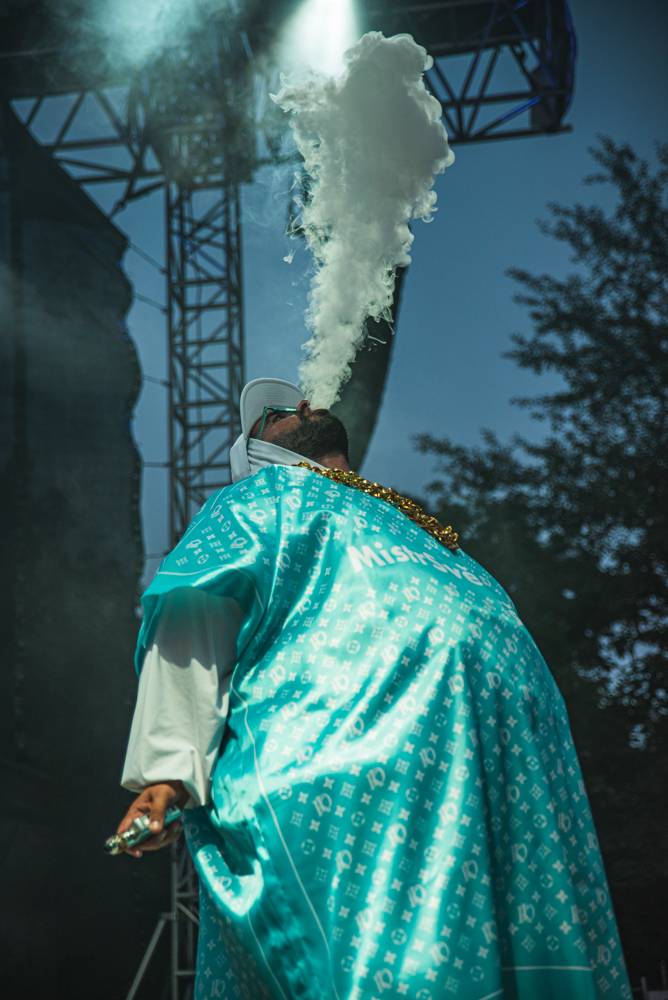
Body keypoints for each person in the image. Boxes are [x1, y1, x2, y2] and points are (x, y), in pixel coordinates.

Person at [117, 377, 632, 1000]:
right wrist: (167, 771)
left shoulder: (410, 523)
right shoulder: (257, 500)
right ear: (255, 453)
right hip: (351, 787)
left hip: (495, 794)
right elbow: (194, 619)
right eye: (272, 414)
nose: (298, 404)